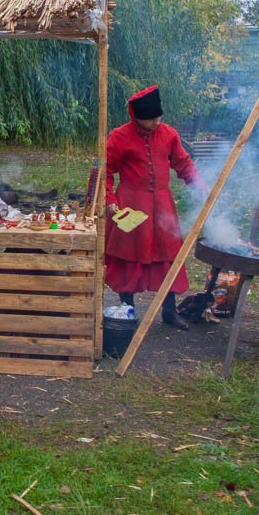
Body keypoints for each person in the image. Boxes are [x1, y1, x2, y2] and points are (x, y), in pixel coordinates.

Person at [104, 85, 201, 331]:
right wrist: (109, 200)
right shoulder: (119, 136)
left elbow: (183, 163)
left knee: (167, 257)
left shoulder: (168, 134)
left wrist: (200, 187)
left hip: (163, 207)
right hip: (131, 206)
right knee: (129, 259)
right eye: (151, 119)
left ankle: (169, 312)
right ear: (136, 117)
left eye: (159, 117)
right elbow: (105, 170)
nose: (156, 122)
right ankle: (127, 314)